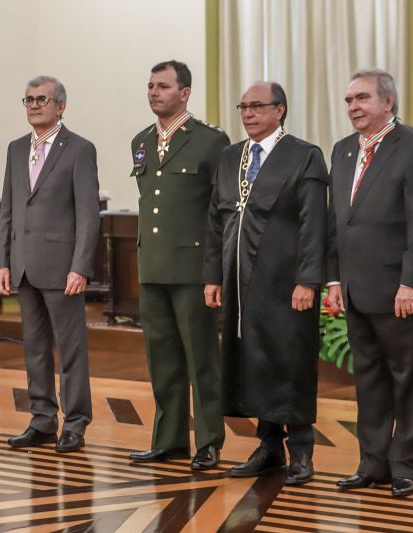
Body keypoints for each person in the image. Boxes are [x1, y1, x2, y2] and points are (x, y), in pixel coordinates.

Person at [204, 81, 328, 486]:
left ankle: (302, 450)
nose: (248, 113)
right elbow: (215, 221)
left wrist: (308, 279)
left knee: (288, 362)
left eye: (257, 106)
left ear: (280, 110)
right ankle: (269, 444)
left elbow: (314, 225)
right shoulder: (230, 157)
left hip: (286, 282)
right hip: (239, 282)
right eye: (243, 106)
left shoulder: (304, 155)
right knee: (254, 360)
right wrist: (212, 275)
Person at [326, 69, 413, 498]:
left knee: (407, 380)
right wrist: (334, 279)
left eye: (363, 98)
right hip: (355, 290)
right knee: (369, 380)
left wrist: (411, 282)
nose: (354, 107)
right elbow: (336, 222)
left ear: (388, 102)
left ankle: (407, 465)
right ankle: (371, 462)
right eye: (349, 100)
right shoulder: (341, 152)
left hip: (399, 291)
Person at [127, 60, 228, 470]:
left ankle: (208, 441)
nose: (154, 92)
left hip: (192, 267)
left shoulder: (210, 141)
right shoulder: (141, 140)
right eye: (150, 85)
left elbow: (219, 210)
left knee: (201, 358)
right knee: (162, 358)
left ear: (185, 92)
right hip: (153, 266)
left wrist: (212, 270)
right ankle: (168, 440)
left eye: (163, 86)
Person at [0, 76, 100, 453]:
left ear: (61, 106)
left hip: (63, 267)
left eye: (42, 99)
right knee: (34, 347)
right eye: (28, 100)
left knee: (70, 349)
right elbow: (7, 210)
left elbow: (89, 215)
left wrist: (81, 267)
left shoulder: (79, 149)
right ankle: (41, 420)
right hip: (22, 266)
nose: (34, 105)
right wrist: (2, 261)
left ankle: (75, 423)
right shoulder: (15, 148)